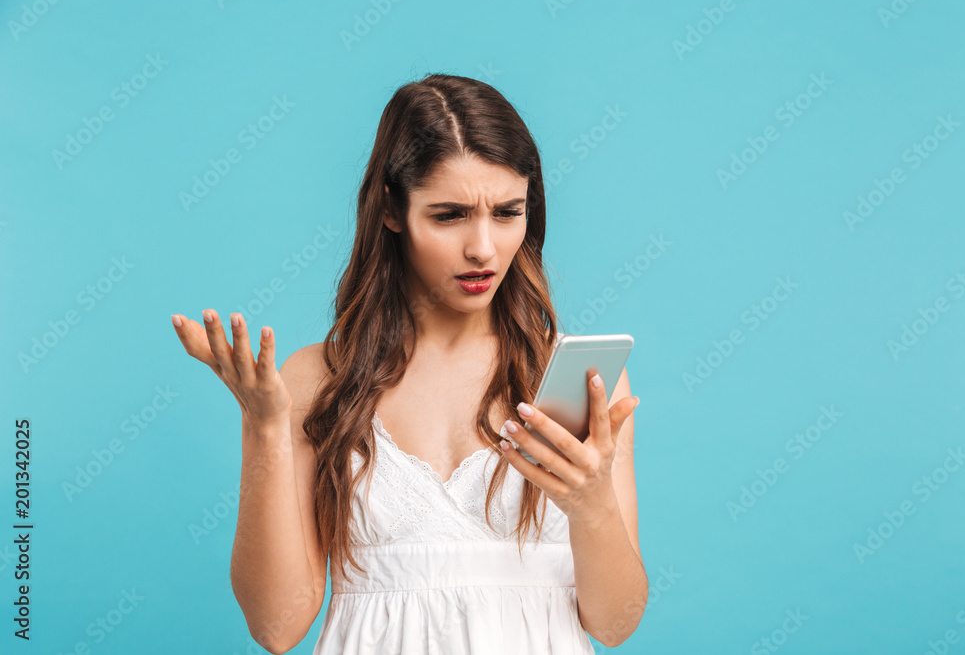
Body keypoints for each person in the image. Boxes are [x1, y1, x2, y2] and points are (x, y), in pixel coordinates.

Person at [171, 73, 646, 654]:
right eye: (449, 215)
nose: (483, 248)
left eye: (507, 212)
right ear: (392, 208)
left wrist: (590, 505)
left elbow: (615, 625)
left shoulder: (576, 380)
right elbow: (277, 627)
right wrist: (263, 427)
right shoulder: (319, 381)